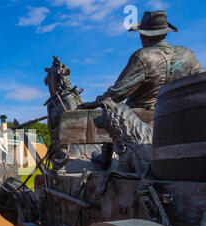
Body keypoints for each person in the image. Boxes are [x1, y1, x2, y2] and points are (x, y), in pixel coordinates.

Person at [79, 10, 205, 170]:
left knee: (111, 110)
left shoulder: (143, 56)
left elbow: (116, 94)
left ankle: (105, 158)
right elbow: (199, 84)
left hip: (138, 118)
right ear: (164, 33)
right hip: (174, 118)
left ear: (143, 36)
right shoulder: (187, 55)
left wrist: (93, 103)